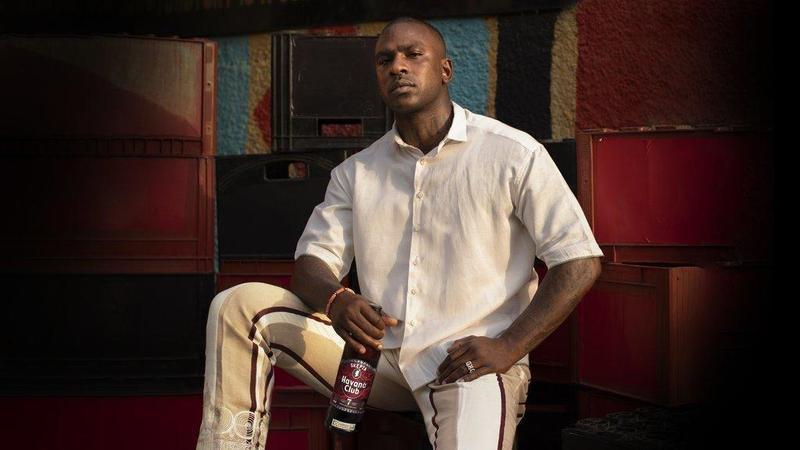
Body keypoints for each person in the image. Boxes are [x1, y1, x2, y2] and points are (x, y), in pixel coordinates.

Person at [196, 16, 603, 450]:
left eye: (413, 54)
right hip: (380, 363)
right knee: (238, 307)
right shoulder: (357, 172)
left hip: (470, 365)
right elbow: (311, 264)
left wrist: (508, 346)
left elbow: (579, 261)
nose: (398, 67)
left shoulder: (512, 153)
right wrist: (337, 300)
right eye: (385, 60)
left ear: (445, 70)